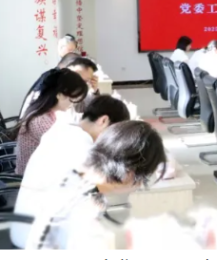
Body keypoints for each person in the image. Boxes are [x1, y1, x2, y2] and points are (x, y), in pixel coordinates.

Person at [24, 121, 167, 250]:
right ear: (131, 173)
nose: (141, 184)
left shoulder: (77, 178)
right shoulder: (89, 218)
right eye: (145, 177)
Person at [11, 95, 131, 248]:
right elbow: (111, 185)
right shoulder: (79, 146)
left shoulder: (62, 131)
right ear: (103, 120)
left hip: (25, 227)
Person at [15, 69, 89, 175]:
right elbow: (64, 151)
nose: (73, 105)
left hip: (43, 174)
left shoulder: (46, 114)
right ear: (60, 95)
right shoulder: (39, 120)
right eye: (72, 100)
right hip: (34, 179)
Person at [22, 57, 98, 118]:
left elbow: (84, 108)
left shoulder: (71, 89)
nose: (81, 84)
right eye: (80, 78)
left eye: (86, 81)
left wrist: (94, 91)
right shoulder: (51, 84)